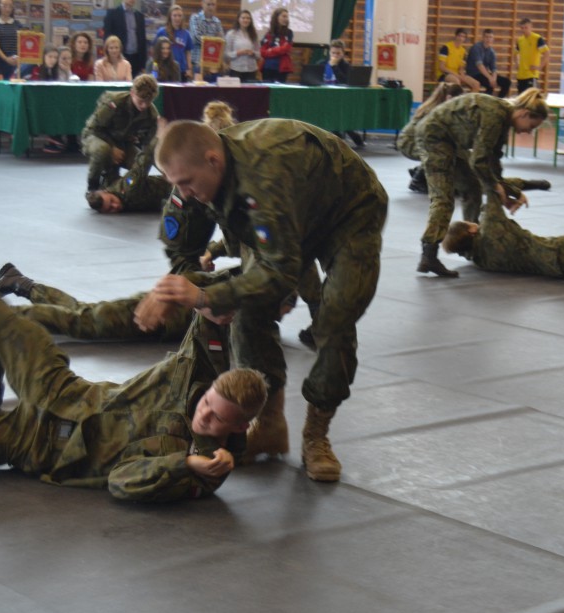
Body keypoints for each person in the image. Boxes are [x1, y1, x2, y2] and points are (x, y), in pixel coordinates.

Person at [140, 118, 388, 482]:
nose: (184, 192)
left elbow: (280, 272)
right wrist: (181, 293)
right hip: (283, 215)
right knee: (248, 311)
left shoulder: (265, 175)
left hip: (348, 212)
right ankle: (269, 425)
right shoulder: (189, 178)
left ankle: (316, 434)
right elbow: (182, 249)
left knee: (336, 319)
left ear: (213, 161)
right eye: (175, 183)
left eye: (187, 182)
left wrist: (210, 296)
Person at [0, 299, 266, 503]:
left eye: (215, 419)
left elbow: (122, 483)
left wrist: (184, 464)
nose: (203, 415)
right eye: (207, 403)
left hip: (34, 444)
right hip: (62, 390)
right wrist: (209, 305)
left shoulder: (204, 467)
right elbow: (206, 330)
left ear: (239, 427)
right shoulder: (198, 386)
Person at [417, 89, 548, 278]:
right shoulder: (496, 115)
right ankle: (429, 254)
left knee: (473, 187)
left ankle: (472, 239)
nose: (528, 132)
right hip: (433, 137)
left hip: (451, 141)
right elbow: (478, 160)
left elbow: (493, 161)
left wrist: (506, 192)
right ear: (524, 114)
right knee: (443, 199)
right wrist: (497, 187)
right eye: (531, 126)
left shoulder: (504, 119)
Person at [81, 73, 159, 191]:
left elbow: (149, 146)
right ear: (132, 93)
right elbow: (95, 128)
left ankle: (126, 188)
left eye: (148, 102)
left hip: (122, 143)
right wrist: (112, 148)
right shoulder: (115, 102)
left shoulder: (151, 114)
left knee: (139, 164)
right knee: (102, 151)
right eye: (140, 101)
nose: (144, 106)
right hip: (95, 136)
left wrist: (164, 169)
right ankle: (93, 187)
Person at [103, 0, 146, 77]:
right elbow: (107, 38)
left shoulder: (139, 15)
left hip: (136, 58)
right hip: (119, 56)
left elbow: (143, 40)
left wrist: (143, 64)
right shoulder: (112, 14)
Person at [465, 29, 510, 98]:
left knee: (506, 82)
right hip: (474, 74)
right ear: (483, 37)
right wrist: (490, 78)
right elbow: (479, 65)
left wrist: (494, 79)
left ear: (493, 39)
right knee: (489, 84)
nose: (488, 39)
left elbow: (494, 68)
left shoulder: (491, 51)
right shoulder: (476, 48)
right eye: (486, 37)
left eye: (490, 37)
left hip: (484, 74)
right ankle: (485, 101)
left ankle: (499, 101)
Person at [190, 0, 224, 81]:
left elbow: (222, 41)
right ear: (202, 4)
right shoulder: (195, 18)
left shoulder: (217, 21)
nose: (211, 7)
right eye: (208, 4)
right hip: (199, 62)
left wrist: (205, 38)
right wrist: (214, 41)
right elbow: (196, 38)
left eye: (213, 4)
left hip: (213, 64)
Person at [0, 0, 25, 80]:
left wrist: (18, 57)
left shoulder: (17, 24)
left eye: (10, 6)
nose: (7, 9)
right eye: (4, 6)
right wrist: (6, 59)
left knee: (13, 86)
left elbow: (21, 44)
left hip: (14, 63)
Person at [157, 5, 192, 81]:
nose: (177, 18)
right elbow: (155, 50)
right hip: (165, 68)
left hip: (182, 69)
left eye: (179, 16)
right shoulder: (162, 32)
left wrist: (189, 68)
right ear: (170, 17)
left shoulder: (186, 34)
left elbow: (188, 52)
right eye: (175, 15)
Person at [514, 18, 548, 94]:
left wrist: (539, 67)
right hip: (521, 75)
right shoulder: (520, 40)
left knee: (531, 98)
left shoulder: (537, 38)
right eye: (522, 28)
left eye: (526, 27)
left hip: (531, 75)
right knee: (521, 98)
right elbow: (515, 53)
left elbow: (547, 53)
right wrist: (517, 63)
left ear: (531, 27)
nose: (524, 30)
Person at [260, 8, 293, 83]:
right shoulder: (269, 33)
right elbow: (263, 52)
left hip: (281, 68)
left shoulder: (289, 33)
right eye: (284, 16)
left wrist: (271, 50)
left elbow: (286, 48)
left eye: (287, 17)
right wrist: (278, 50)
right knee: (267, 89)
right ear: (276, 17)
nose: (286, 19)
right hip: (267, 67)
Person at [226, 10, 260, 81]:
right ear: (238, 19)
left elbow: (258, 54)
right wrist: (238, 53)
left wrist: (253, 53)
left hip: (251, 70)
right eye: (243, 18)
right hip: (236, 69)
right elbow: (226, 54)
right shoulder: (231, 34)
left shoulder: (254, 34)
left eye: (248, 18)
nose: (246, 20)